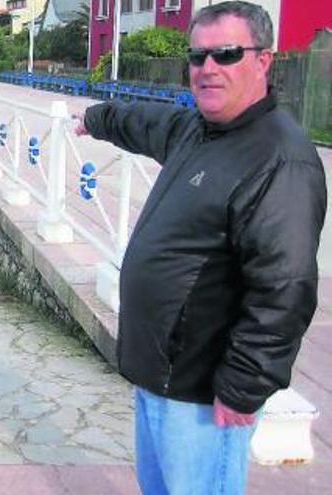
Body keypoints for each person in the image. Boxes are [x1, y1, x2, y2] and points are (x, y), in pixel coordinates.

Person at [75, 2, 326, 493]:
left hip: (205, 391)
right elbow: (146, 123)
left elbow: (285, 288)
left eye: (226, 54)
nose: (208, 68)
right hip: (161, 376)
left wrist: (242, 387)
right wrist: (97, 118)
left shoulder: (280, 159)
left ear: (263, 61)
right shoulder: (199, 130)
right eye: (197, 56)